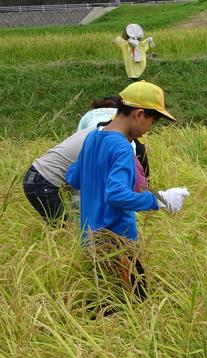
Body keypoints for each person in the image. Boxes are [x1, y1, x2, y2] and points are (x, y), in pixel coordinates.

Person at [66, 81, 189, 300]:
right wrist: (160, 200)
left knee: (104, 303)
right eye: (152, 122)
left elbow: (73, 178)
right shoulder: (122, 147)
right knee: (137, 304)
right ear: (139, 114)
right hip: (118, 242)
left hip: (90, 240)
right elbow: (116, 194)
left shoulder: (93, 137)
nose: (147, 131)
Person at [23, 97, 129, 223]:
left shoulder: (97, 131)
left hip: (37, 177)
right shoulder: (112, 140)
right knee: (64, 233)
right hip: (43, 181)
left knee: (66, 229)